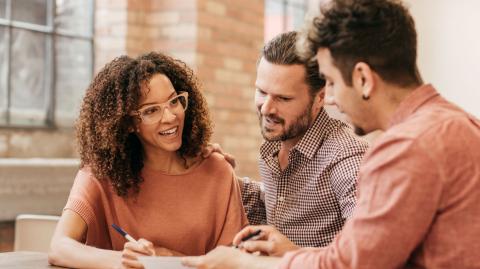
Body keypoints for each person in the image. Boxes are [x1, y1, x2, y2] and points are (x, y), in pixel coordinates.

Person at [181, 0, 480, 268]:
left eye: (333, 83)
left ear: (363, 78)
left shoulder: (406, 146)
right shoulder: (456, 124)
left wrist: (240, 263)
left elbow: (351, 264)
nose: (332, 99)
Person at [48, 52, 248, 269]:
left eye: (174, 101)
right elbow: (59, 247)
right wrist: (127, 262)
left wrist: (167, 260)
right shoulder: (101, 175)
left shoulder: (217, 171)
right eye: (151, 110)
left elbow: (236, 264)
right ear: (128, 123)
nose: (170, 116)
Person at [238, 31, 368, 250]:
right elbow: (278, 207)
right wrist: (217, 172)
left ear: (320, 97)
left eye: (283, 98)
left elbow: (366, 251)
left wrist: (291, 253)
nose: (266, 108)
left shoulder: (346, 156)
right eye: (261, 91)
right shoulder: (276, 141)